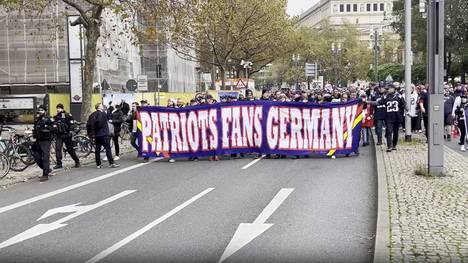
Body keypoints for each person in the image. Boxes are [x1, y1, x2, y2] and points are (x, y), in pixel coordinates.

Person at [87, 103, 119, 169]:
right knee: (108, 149)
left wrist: (91, 134)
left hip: (96, 135)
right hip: (104, 134)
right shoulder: (102, 114)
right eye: (101, 105)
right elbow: (102, 123)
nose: (103, 106)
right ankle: (111, 163)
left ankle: (98, 164)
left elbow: (88, 125)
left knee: (97, 150)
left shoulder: (92, 114)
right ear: (99, 107)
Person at [53, 103, 80, 169]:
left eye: (59, 108)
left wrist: (71, 131)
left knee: (70, 149)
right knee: (58, 149)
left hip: (66, 135)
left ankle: (77, 161)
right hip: (59, 136)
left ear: (62, 108)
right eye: (57, 108)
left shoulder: (66, 115)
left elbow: (72, 123)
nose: (58, 109)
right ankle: (59, 163)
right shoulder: (56, 117)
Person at [380, 84, 405, 152]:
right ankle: (389, 146)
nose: (388, 90)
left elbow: (403, 105)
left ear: (394, 89)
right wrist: (368, 102)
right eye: (388, 89)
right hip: (388, 117)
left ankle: (394, 145)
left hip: (396, 117)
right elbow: (379, 102)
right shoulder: (385, 97)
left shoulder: (399, 96)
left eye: (390, 88)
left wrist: (404, 112)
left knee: (396, 132)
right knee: (389, 131)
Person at [32, 105, 54, 182]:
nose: (40, 111)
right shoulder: (38, 119)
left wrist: (46, 128)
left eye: (42, 110)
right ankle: (47, 169)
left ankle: (45, 175)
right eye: (39, 110)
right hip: (38, 140)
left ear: (45, 111)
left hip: (45, 140)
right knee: (36, 156)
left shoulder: (49, 118)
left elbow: (54, 128)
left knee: (45, 157)